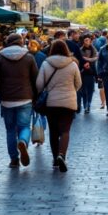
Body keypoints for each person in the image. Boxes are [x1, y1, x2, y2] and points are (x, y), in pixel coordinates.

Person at [0, 33, 38, 168]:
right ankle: (22, 141)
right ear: (20, 42)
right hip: (25, 98)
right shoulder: (29, 57)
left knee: (10, 130)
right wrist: (37, 96)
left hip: (6, 99)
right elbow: (36, 79)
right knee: (24, 126)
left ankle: (14, 159)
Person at [36, 40, 81, 172]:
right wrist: (71, 91)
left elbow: (39, 85)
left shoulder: (46, 64)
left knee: (54, 132)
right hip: (69, 103)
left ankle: (56, 158)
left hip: (52, 102)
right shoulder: (72, 64)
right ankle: (62, 155)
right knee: (65, 131)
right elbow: (78, 84)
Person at [79, 34, 98, 114]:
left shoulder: (93, 49)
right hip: (83, 72)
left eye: (89, 40)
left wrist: (87, 59)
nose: (87, 42)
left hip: (91, 72)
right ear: (83, 41)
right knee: (84, 91)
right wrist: (88, 60)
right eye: (86, 40)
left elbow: (95, 58)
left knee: (90, 90)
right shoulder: (80, 50)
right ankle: (85, 104)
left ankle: (88, 105)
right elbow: (80, 58)